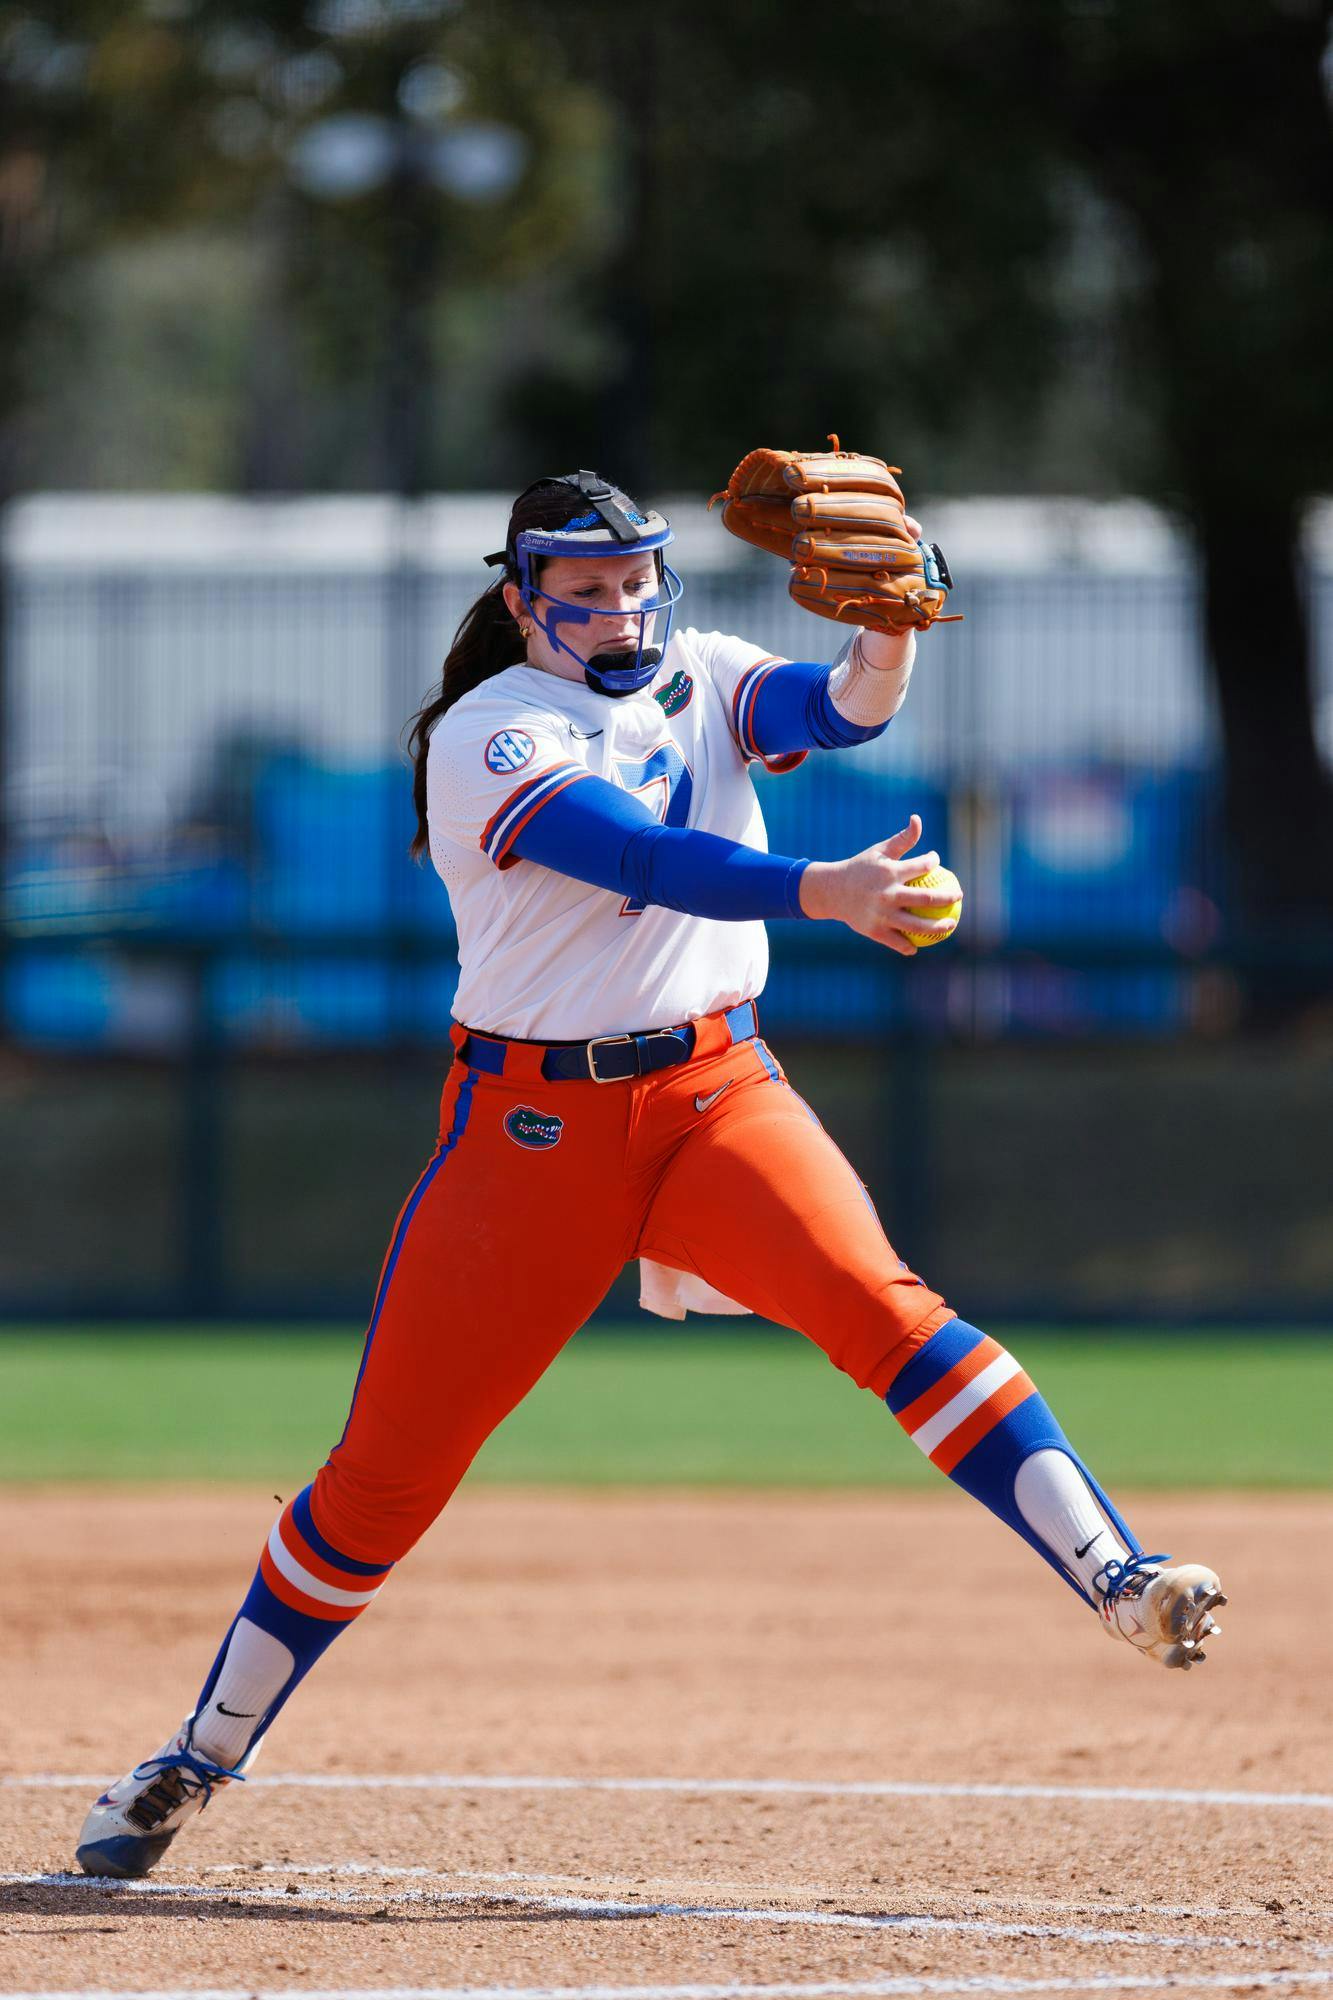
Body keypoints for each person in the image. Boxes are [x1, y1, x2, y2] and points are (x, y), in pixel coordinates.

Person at [76, 468, 1226, 1881]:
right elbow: (635, 852)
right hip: (527, 1139)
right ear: (523, 600)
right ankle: (200, 1755)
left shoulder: (701, 666)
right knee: (383, 1484)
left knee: (892, 1314)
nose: (618, 610)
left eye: (633, 582)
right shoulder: (490, 731)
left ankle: (1115, 1575)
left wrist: (890, 632)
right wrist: (827, 890)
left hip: (713, 1099)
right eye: (585, 588)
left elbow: (834, 713)